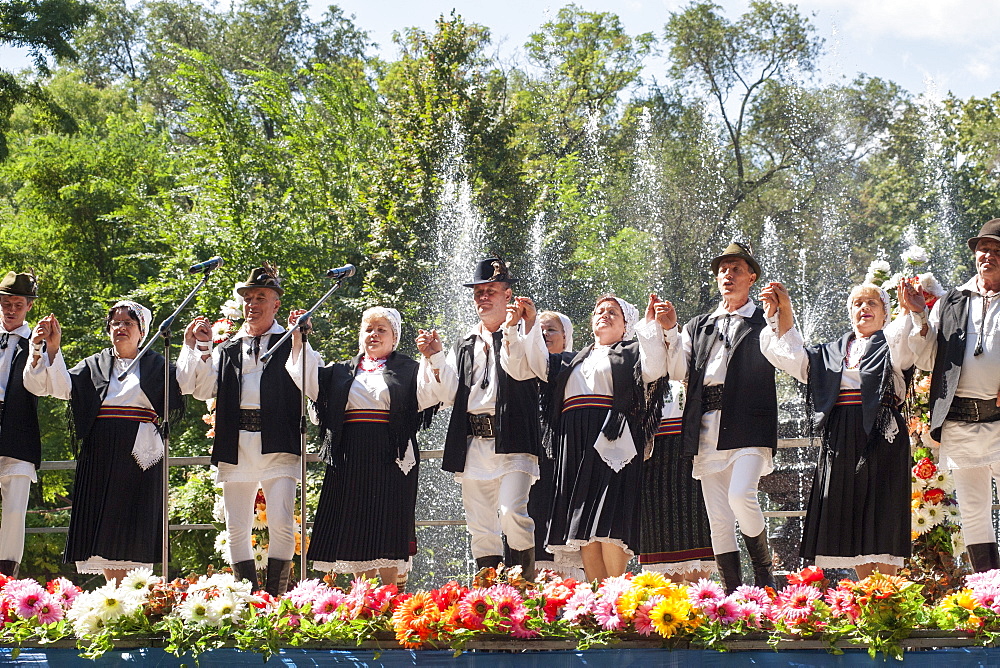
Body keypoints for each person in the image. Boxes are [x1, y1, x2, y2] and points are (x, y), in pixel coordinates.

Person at [760, 280, 918, 578]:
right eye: (858, 303)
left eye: (872, 303)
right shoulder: (831, 353)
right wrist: (781, 312)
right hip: (841, 435)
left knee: (882, 513)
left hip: (882, 433)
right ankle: (868, 595)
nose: (864, 308)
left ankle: (889, 597)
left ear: (886, 313)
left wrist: (910, 311)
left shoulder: (893, 344)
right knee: (851, 513)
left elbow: (906, 342)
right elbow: (790, 356)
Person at [25, 301, 184, 583]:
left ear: (141, 331)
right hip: (101, 450)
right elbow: (63, 387)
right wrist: (52, 348)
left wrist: (198, 348)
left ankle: (137, 593)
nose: (120, 328)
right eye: (115, 323)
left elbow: (189, 383)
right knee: (105, 525)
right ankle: (115, 593)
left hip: (140, 453)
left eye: (128, 323)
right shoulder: (95, 364)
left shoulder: (158, 365)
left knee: (135, 521)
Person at [179, 265, 313, 595]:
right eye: (248, 298)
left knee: (282, 522)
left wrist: (300, 339)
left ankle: (276, 597)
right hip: (236, 442)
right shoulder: (228, 348)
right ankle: (250, 599)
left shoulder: (290, 341)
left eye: (261, 298)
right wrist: (205, 348)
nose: (252, 304)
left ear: (276, 304)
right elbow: (201, 390)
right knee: (236, 526)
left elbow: (311, 379)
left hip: (278, 440)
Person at [415, 257, 546, 576]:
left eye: (491, 291)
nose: (483, 297)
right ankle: (488, 600)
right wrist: (434, 357)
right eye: (478, 292)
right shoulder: (465, 342)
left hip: (513, 438)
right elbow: (451, 397)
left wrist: (515, 329)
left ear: (508, 295)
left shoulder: (526, 332)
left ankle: (522, 592)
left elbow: (531, 370)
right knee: (481, 526)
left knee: (512, 512)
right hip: (473, 442)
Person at [286, 307, 436, 585]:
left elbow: (433, 392)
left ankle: (392, 598)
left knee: (388, 527)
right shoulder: (341, 371)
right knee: (356, 526)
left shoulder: (409, 369)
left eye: (382, 330)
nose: (374, 335)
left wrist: (430, 357)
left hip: (390, 455)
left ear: (394, 338)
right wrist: (298, 337)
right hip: (350, 454)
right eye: (369, 329)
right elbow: (307, 378)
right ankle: (363, 600)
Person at [662, 242, 777, 593]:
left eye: (736, 269)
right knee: (719, 520)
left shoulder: (764, 319)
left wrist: (779, 314)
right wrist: (669, 329)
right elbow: (677, 370)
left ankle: (764, 579)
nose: (728, 275)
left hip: (749, 421)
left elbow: (787, 351)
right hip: (707, 424)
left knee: (741, 495)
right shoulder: (699, 325)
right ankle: (733, 597)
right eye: (723, 270)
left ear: (752, 277)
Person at [536, 294, 671, 582]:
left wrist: (650, 326)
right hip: (575, 443)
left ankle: (617, 592)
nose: (604, 315)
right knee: (586, 526)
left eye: (613, 312)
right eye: (599, 311)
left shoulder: (633, 352)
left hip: (612, 439)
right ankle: (597, 600)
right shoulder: (573, 359)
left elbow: (656, 368)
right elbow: (535, 364)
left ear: (626, 326)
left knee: (610, 520)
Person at [907, 219, 1000, 572]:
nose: (987, 255)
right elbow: (928, 357)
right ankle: (990, 592)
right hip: (959, 418)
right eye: (983, 248)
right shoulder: (952, 301)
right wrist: (918, 314)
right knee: (974, 509)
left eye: (996, 250)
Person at [638, 379, 716, 582]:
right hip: (652, 462)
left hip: (694, 456)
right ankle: (670, 608)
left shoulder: (697, 361)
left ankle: (699, 608)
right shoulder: (643, 369)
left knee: (699, 546)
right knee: (661, 549)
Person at [0, 272, 45, 577]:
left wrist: (42, 349)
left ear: (29, 306)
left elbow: (45, 385)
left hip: (19, 432)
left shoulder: (38, 343)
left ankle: (5, 578)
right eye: (5, 303)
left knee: (15, 511)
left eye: (17, 304)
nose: (11, 309)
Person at [529, 311, 577, 576]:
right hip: (529, 450)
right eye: (540, 331)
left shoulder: (573, 366)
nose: (545, 335)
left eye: (551, 330)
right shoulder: (522, 368)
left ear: (566, 337)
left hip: (562, 449)